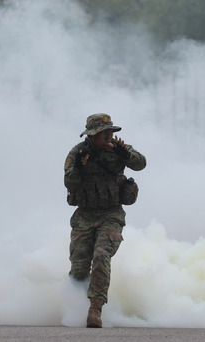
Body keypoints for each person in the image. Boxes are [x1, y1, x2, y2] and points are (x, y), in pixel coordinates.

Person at [63, 113, 146, 328]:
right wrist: (79, 168)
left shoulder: (118, 149)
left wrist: (125, 153)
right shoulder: (78, 153)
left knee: (101, 255)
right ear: (92, 135)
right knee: (79, 269)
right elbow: (69, 182)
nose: (109, 136)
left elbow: (141, 164)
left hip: (111, 214)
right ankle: (71, 306)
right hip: (84, 216)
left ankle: (95, 310)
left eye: (110, 132)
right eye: (104, 133)